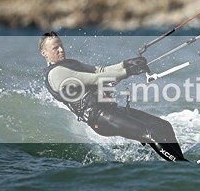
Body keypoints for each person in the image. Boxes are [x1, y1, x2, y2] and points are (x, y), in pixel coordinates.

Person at [39, 31, 189, 162]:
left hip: (112, 110)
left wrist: (125, 64)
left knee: (163, 126)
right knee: (150, 133)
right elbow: (95, 79)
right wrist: (128, 72)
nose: (61, 50)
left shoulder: (70, 63)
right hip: (101, 118)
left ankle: (180, 162)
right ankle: (182, 166)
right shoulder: (56, 73)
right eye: (55, 48)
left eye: (61, 46)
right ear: (44, 53)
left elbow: (100, 70)